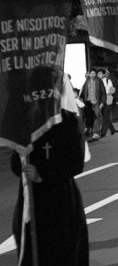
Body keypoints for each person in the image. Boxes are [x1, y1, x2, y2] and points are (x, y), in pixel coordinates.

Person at [11, 72, 89, 266]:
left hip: (60, 201)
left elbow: (75, 163)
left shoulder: (69, 121)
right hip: (31, 200)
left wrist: (43, 175)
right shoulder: (27, 121)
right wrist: (21, 154)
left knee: (61, 254)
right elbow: (15, 164)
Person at [79, 68, 106, 139]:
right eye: (91, 73)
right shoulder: (87, 81)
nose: (92, 74)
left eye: (94, 73)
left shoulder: (99, 81)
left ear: (96, 74)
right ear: (89, 74)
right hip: (88, 102)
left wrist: (102, 102)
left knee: (97, 117)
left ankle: (96, 133)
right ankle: (89, 130)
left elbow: (103, 93)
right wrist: (81, 99)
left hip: (96, 102)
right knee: (89, 117)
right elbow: (83, 91)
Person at [98, 69, 117, 137]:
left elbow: (111, 90)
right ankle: (112, 129)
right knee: (105, 116)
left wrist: (106, 93)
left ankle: (103, 132)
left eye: (100, 73)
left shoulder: (107, 80)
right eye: (98, 74)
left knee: (106, 116)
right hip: (102, 100)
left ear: (103, 74)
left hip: (108, 99)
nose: (98, 75)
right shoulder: (98, 81)